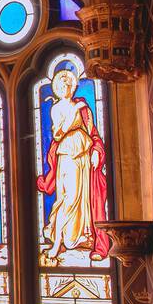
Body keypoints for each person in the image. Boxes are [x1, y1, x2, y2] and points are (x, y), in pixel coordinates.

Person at [35, 68, 110, 264]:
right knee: (68, 198)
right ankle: (57, 241)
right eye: (61, 85)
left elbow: (92, 132)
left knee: (84, 198)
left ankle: (81, 237)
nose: (65, 87)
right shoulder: (57, 108)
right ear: (57, 89)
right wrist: (73, 112)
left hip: (84, 152)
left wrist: (95, 150)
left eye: (68, 84)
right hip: (67, 153)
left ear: (73, 86)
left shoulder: (83, 107)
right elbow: (58, 134)